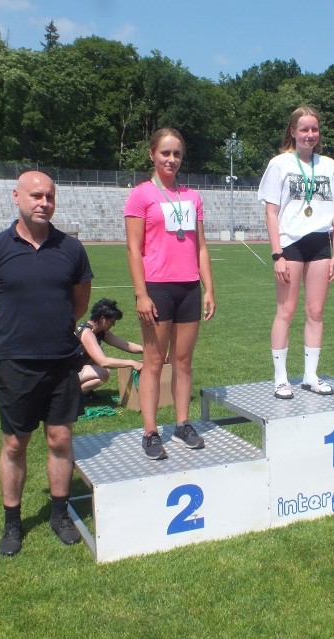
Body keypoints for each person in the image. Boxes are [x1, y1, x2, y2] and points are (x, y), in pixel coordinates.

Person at [0, 170, 94, 556]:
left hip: (60, 361)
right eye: (36, 195)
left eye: (50, 197)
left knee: (59, 438)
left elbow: (79, 304)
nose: (43, 203)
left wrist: (50, 332)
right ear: (16, 197)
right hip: (15, 364)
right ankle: (12, 523)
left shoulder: (71, 249)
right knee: (14, 442)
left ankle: (58, 514)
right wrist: (11, 333)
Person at [125, 128, 216, 460]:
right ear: (152, 154)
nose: (171, 159)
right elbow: (134, 250)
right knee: (153, 362)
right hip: (157, 288)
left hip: (189, 287)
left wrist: (208, 288)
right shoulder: (141, 195)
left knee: (184, 361)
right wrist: (141, 294)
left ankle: (181, 424)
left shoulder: (192, 197)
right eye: (165, 153)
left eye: (177, 153)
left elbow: (201, 247)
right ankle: (150, 432)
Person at [258, 106, 334, 399]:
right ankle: (281, 378)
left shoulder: (329, 166)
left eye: (314, 129)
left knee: (316, 311)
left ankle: (310, 375)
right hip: (291, 243)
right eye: (304, 129)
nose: (310, 135)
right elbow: (271, 213)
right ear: (293, 132)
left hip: (320, 242)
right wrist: (277, 254)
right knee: (286, 310)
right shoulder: (280, 164)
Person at [77, 298, 143, 394]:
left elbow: (125, 345)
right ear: (103, 319)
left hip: (76, 369)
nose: (114, 325)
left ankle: (82, 393)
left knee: (98, 353)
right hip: (65, 375)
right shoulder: (86, 332)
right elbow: (103, 362)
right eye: (112, 321)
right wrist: (133, 363)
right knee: (103, 373)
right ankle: (72, 396)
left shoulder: (100, 332)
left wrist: (150, 351)